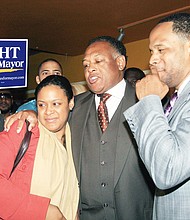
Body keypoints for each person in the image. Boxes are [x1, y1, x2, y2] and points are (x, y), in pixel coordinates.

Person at [5, 36, 154, 220]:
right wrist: (31, 113)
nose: (90, 68)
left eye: (98, 61)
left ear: (120, 62)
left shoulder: (148, 102)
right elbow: (51, 117)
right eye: (85, 65)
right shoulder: (76, 108)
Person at [124, 12, 190, 220]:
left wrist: (149, 101)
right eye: (151, 51)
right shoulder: (177, 99)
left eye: (161, 49)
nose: (152, 59)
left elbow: (167, 169)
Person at [0, 75, 79, 219]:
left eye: (56, 104)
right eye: (42, 105)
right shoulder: (22, 129)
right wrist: (44, 211)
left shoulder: (76, 138)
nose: (48, 111)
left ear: (71, 102)